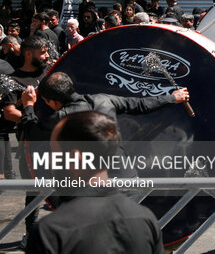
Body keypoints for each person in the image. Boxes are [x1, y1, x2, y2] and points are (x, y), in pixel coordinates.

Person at [25, 110, 164, 254]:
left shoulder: (50, 231)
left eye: (53, 153)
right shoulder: (146, 219)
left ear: (75, 158)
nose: (49, 161)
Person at [19, 72, 190, 137]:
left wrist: (28, 106)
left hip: (93, 183)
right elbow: (140, 104)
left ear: (55, 102)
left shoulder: (61, 117)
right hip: (125, 176)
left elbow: (31, 132)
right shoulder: (104, 99)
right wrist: (172, 97)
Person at [1, 35, 51, 248]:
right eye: (43, 52)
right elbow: (9, 112)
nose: (47, 56)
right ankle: (31, 237)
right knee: (35, 192)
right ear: (29, 53)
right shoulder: (13, 79)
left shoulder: (50, 73)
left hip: (58, 143)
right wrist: (32, 116)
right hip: (31, 145)